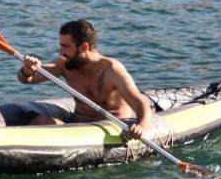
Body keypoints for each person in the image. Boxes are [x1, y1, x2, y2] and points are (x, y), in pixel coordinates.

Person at [17, 18, 153, 139]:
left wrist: (140, 126)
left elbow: (141, 104)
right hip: (77, 124)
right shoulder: (65, 63)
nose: (61, 52)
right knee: (41, 121)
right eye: (61, 46)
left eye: (66, 47)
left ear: (84, 47)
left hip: (110, 129)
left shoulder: (112, 70)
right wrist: (27, 70)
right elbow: (27, 79)